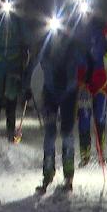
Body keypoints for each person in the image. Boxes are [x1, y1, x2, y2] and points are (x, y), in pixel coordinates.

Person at [32, 21, 82, 193]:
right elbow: (36, 64)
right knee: (50, 133)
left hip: (68, 93)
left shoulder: (73, 46)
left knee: (67, 133)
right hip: (51, 94)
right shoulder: (45, 45)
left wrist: (86, 76)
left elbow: (82, 63)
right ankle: (47, 174)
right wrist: (26, 86)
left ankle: (68, 175)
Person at [74, 8, 107, 166]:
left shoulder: (101, 27)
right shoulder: (73, 28)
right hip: (82, 80)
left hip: (99, 78)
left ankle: (101, 150)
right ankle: (85, 154)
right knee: (85, 116)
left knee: (100, 115)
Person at [0, 0, 31, 140]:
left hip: (13, 61)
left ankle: (10, 128)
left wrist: (27, 46)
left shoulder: (18, 22)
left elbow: (27, 37)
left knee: (12, 92)